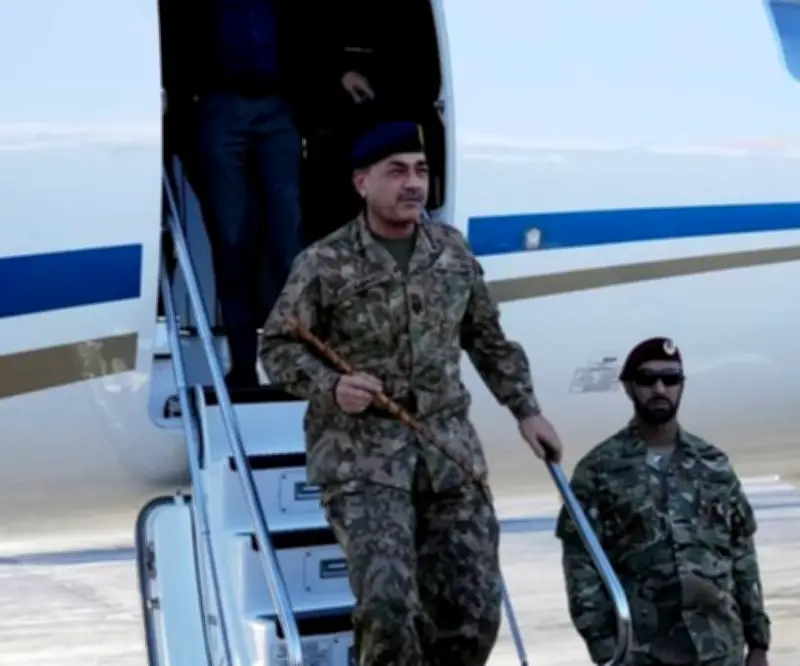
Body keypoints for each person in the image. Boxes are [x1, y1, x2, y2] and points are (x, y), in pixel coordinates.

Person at [259, 121, 564, 665]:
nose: (413, 183)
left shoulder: (450, 251)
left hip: (449, 454)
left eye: (420, 170)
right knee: (390, 610)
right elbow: (277, 347)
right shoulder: (324, 263)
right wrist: (332, 386)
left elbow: (486, 338)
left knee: (472, 612)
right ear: (362, 183)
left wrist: (526, 410)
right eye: (396, 171)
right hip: (362, 460)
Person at [160, 0, 373, 388]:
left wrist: (337, 73)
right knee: (231, 240)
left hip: (277, 107)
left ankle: (298, 360)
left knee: (289, 238)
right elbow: (171, 33)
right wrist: (172, 90)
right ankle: (243, 367)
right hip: (218, 106)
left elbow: (309, 31)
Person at [556, 337, 771, 666]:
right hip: (644, 655)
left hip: (720, 650)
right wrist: (606, 649)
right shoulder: (598, 470)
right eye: (648, 379)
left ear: (681, 386)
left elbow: (742, 555)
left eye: (670, 379)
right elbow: (580, 566)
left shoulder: (713, 464)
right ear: (629, 387)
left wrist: (758, 644)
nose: (660, 388)